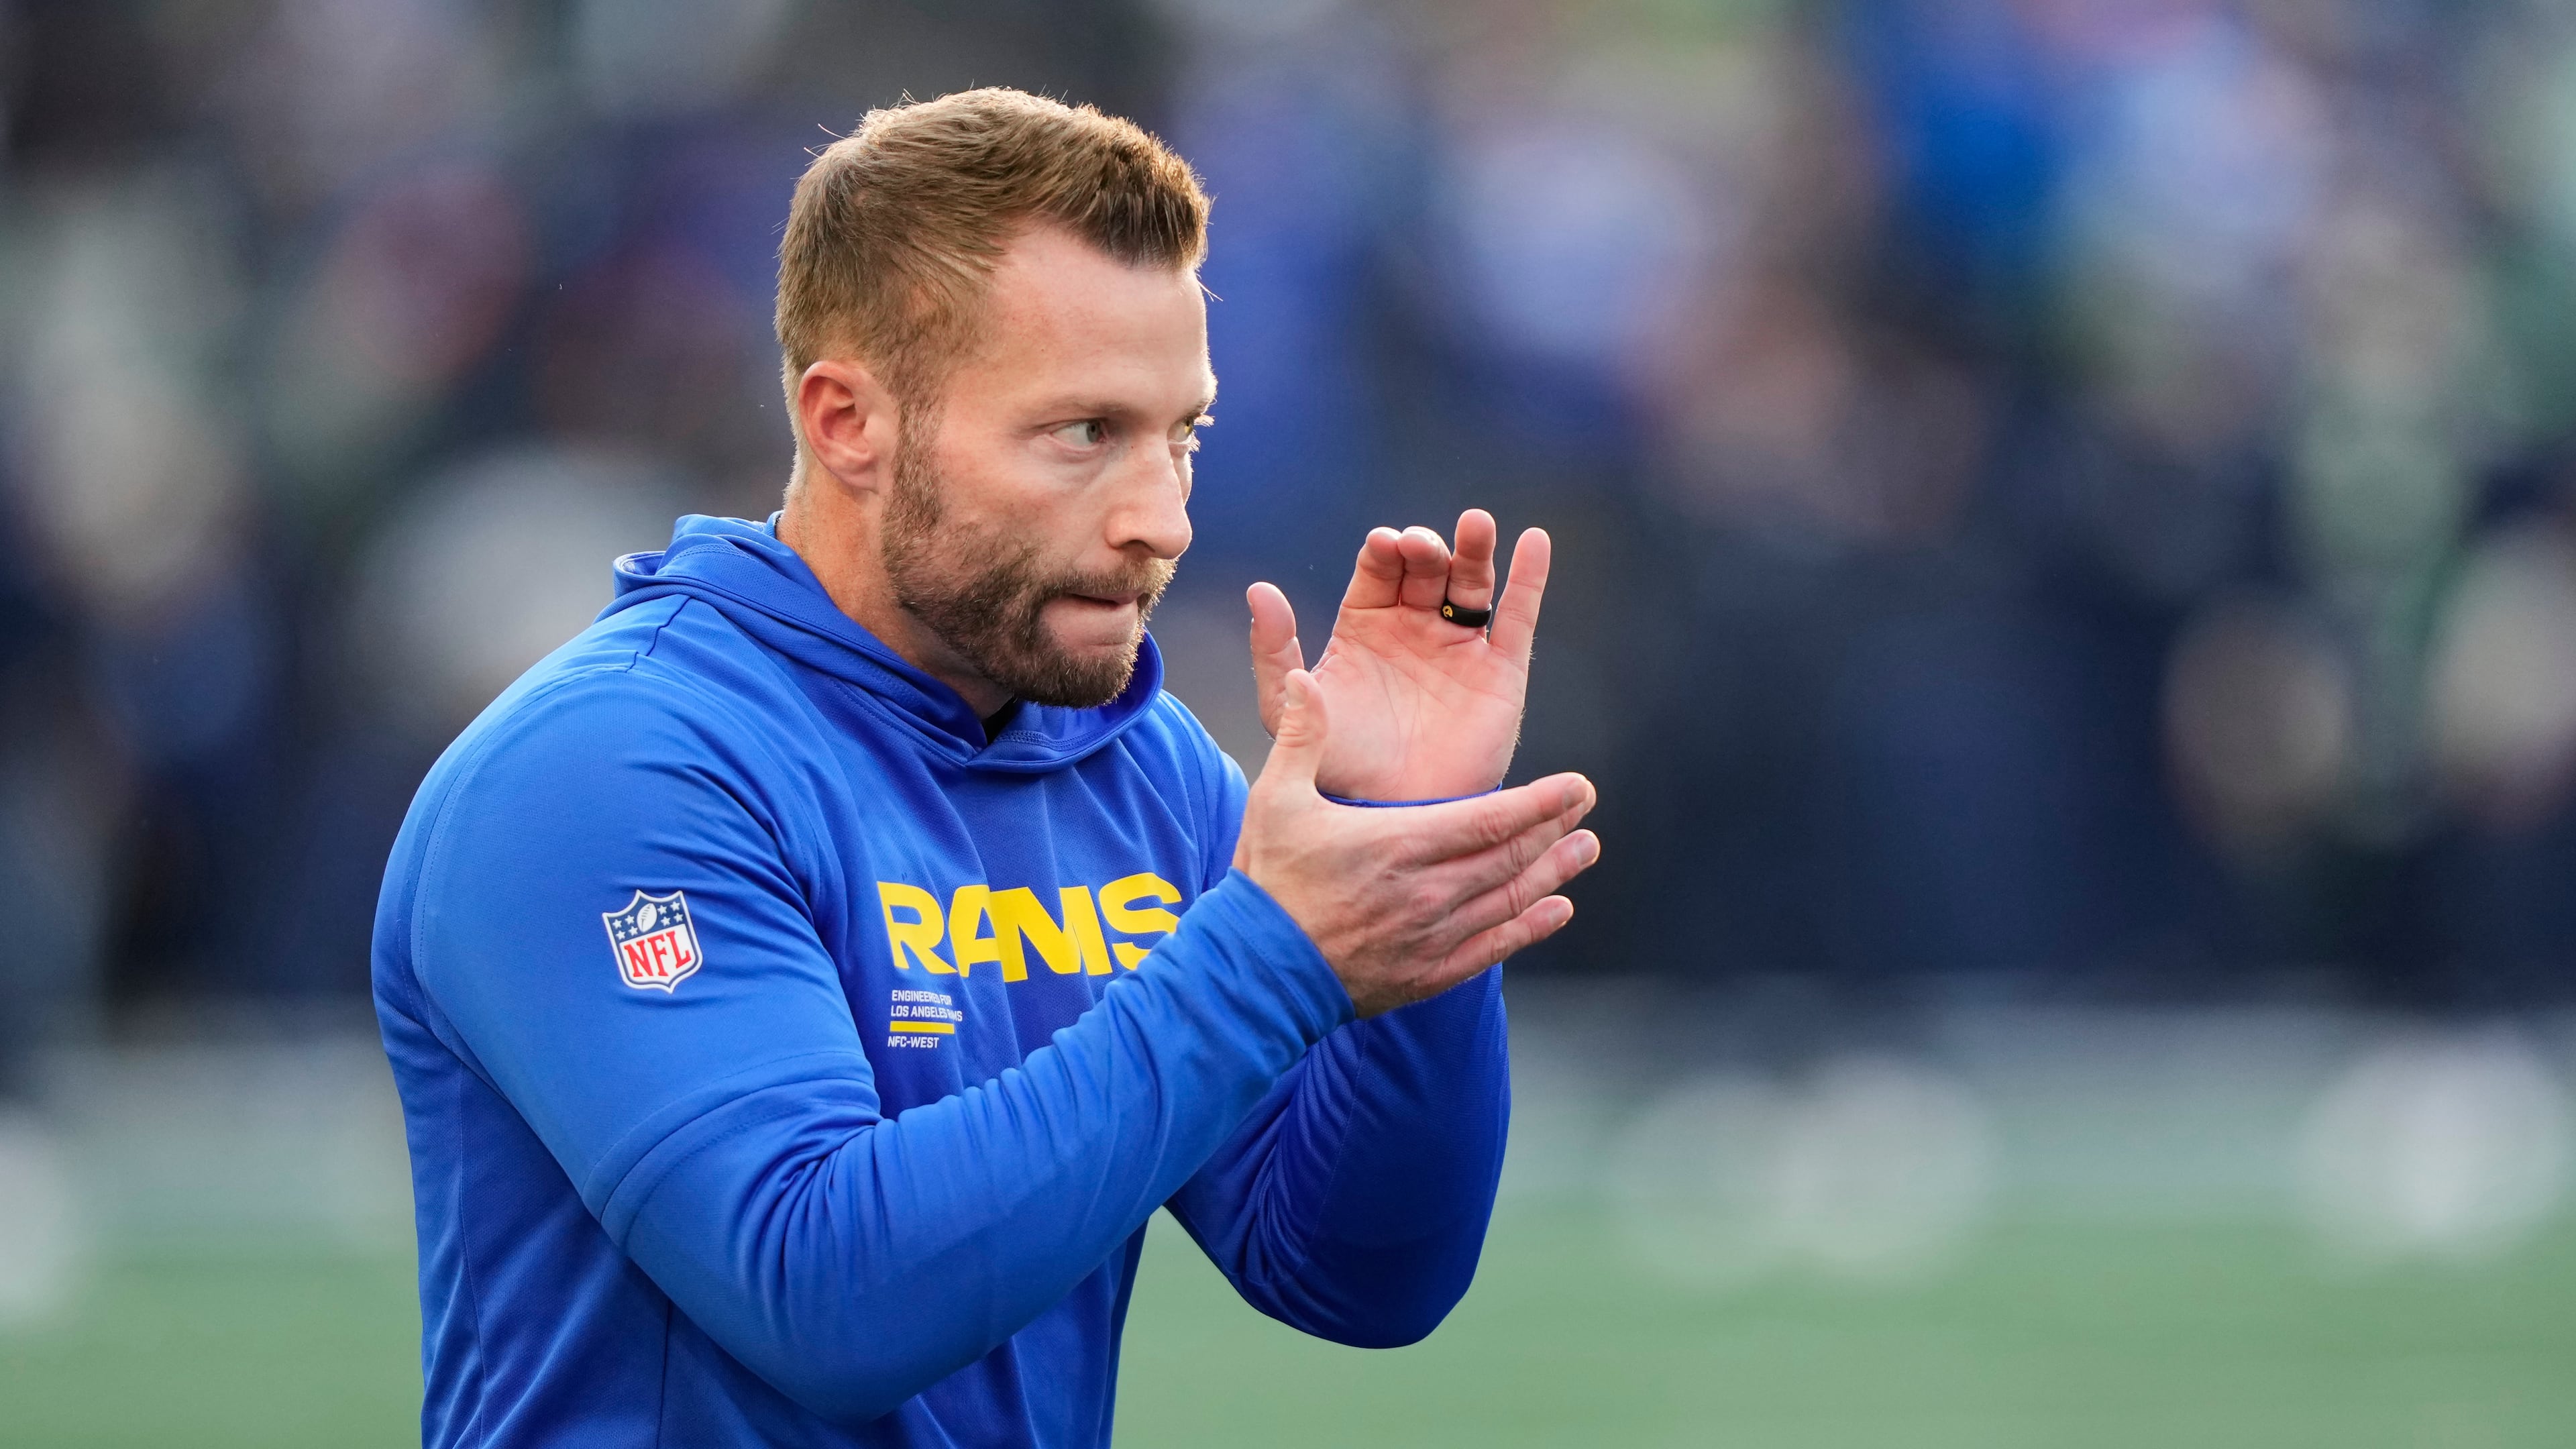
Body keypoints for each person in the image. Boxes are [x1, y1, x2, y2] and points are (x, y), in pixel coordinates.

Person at [372, 87, 1598, 1448]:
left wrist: (1402, 847)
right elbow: (822, 1295)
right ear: (848, 421)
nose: (1163, 521)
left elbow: (1356, 1275)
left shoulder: (1136, 764)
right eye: (1084, 434)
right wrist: (1272, 955)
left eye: (1179, 434)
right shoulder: (607, 775)